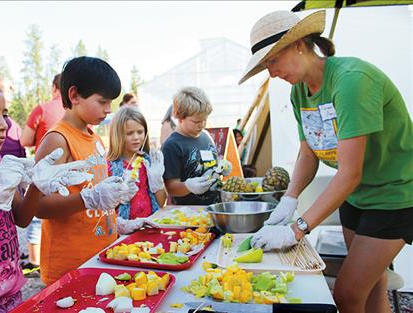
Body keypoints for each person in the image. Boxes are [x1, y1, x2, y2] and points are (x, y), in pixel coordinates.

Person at [239, 10, 413, 313]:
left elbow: (350, 172)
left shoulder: (351, 81)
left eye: (272, 61)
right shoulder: (300, 94)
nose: (271, 73)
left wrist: (298, 228)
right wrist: (290, 199)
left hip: (394, 196)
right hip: (355, 198)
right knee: (372, 290)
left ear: (298, 45)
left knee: (347, 294)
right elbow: (308, 153)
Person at [0, 78, 89, 312]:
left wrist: (37, 185)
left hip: (9, 291)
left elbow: (20, 218)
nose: (3, 125)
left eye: (4, 114)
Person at [33, 56, 151, 285]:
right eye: (102, 101)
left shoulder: (94, 137)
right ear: (74, 95)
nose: (109, 110)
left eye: (111, 103)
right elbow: (39, 205)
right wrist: (89, 199)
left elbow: (95, 197)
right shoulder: (58, 140)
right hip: (70, 264)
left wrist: (116, 210)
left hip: (99, 253)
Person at [20, 73, 64, 276]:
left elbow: (25, 140)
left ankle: (33, 262)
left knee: (37, 218)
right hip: (71, 173)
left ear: (55, 88)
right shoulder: (82, 113)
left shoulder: (43, 108)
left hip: (46, 167)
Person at [161, 87, 221, 205]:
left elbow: (211, 164)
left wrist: (221, 168)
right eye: (196, 122)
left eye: (205, 120)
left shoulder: (206, 136)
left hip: (214, 207)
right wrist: (188, 186)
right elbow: (170, 187)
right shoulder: (172, 146)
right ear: (180, 117)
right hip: (189, 214)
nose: (202, 125)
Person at [107, 107, 167, 219]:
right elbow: (104, 208)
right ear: (117, 135)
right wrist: (120, 198)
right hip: (122, 231)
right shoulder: (109, 166)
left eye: (140, 132)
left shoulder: (149, 163)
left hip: (149, 225)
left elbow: (161, 202)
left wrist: (158, 182)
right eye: (129, 133)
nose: (136, 138)